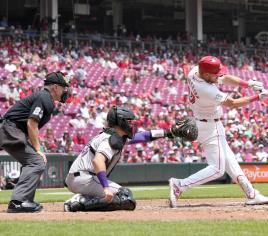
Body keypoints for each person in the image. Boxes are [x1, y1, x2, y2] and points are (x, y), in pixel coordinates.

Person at [168, 55, 268, 208]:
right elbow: (231, 103)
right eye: (214, 74)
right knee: (218, 169)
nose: (218, 75)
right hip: (210, 127)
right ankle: (180, 185)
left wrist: (248, 84)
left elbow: (224, 78)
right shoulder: (206, 89)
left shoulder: (194, 72)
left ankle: (251, 194)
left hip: (205, 123)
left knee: (230, 161)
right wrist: (258, 97)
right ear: (206, 74)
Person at [63, 106, 196, 212]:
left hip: (79, 177)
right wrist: (105, 187)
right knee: (125, 197)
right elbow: (98, 161)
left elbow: (143, 136)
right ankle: (79, 203)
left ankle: (84, 198)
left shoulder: (113, 136)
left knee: (121, 197)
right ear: (120, 122)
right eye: (128, 121)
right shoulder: (110, 139)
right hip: (85, 179)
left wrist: (169, 132)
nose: (131, 124)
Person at [0, 71, 71, 213]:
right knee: (36, 161)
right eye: (64, 87)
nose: (66, 91)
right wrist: (38, 149)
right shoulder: (45, 97)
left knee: (33, 161)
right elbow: (32, 123)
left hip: (9, 129)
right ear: (56, 87)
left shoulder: (44, 97)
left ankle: (25, 200)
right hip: (9, 129)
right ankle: (19, 202)